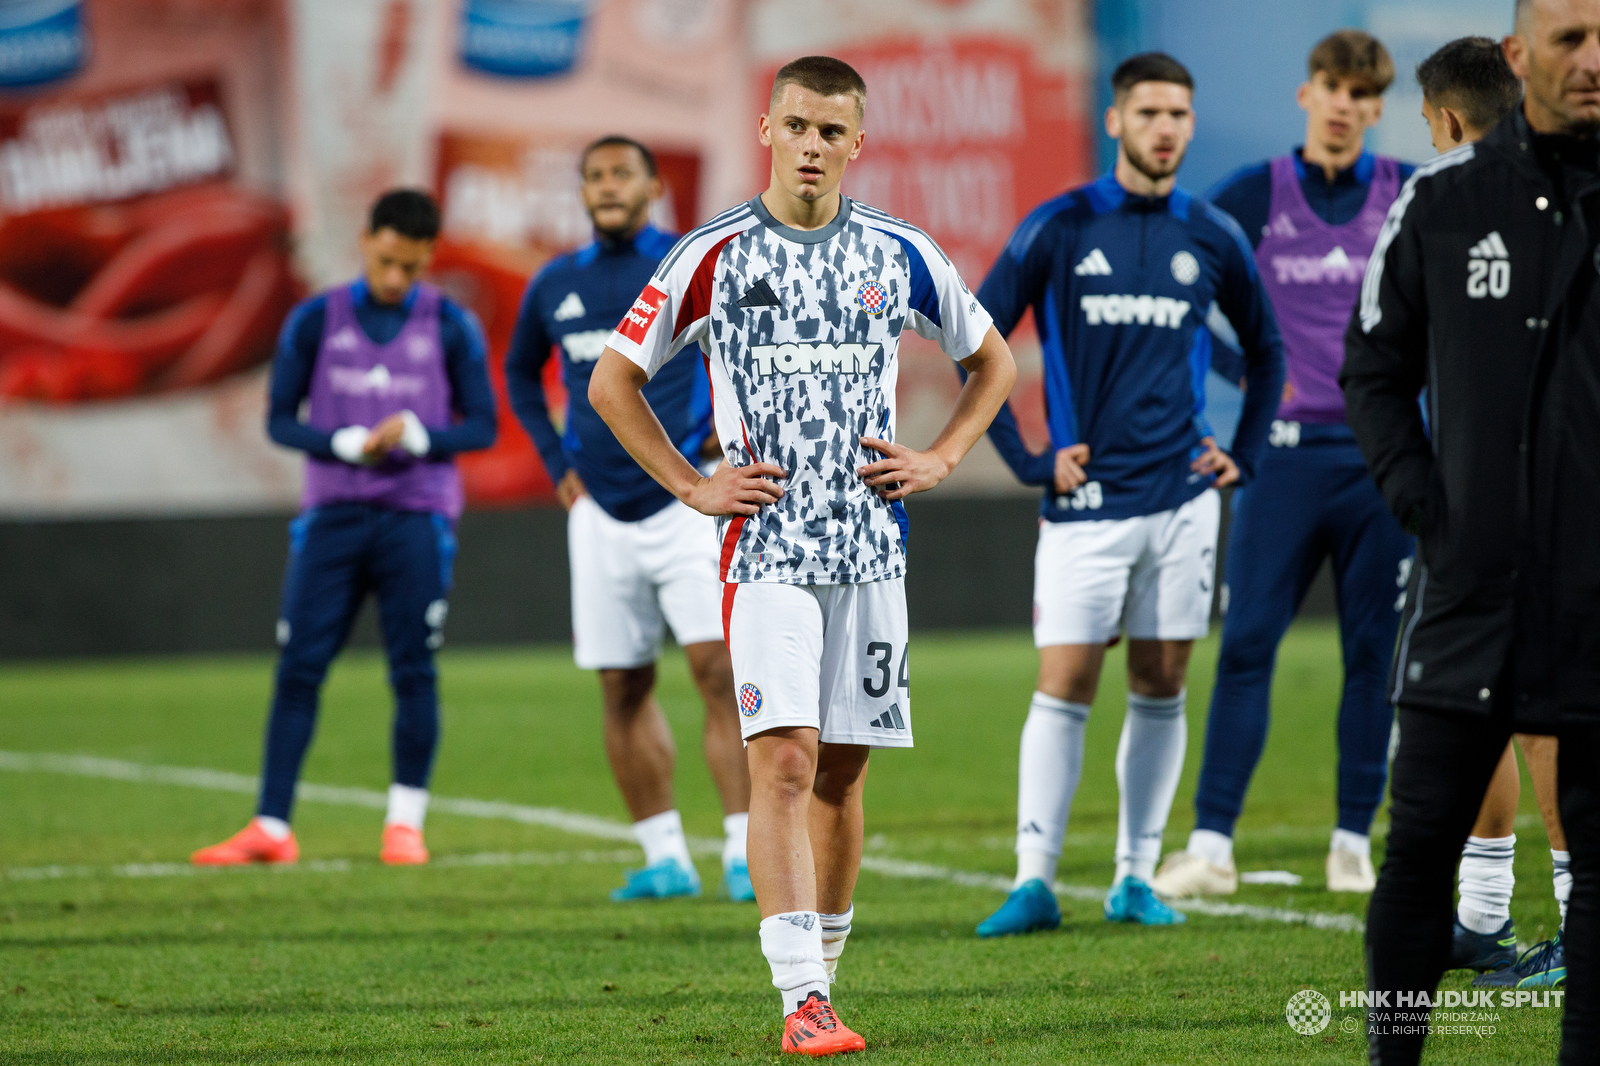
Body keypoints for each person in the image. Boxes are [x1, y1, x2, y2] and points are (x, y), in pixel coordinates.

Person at [589, 55, 1015, 1058]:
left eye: (833, 131)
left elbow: (989, 358)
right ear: (766, 130)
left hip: (871, 551)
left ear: (857, 143)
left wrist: (943, 454)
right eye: (798, 127)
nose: (814, 146)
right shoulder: (711, 253)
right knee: (782, 759)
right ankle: (799, 997)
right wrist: (692, 486)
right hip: (766, 549)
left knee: (843, 774)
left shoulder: (901, 252)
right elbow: (615, 382)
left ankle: (825, 974)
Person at [971, 52, 1285, 938]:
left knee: (1162, 680)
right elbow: (976, 342)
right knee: (1065, 679)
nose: (1165, 128)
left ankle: (1134, 878)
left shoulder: (1210, 234)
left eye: (1179, 114)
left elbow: (1266, 353)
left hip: (1185, 500)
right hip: (1086, 504)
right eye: (1148, 111)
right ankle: (1034, 880)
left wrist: (1246, 454)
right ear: (1115, 122)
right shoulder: (1060, 226)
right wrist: (1029, 460)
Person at [1342, 1, 1600, 1059]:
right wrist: (1419, 498)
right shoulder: (1440, 201)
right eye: (1571, 38)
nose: (1592, 61)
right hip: (1466, 592)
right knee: (1415, 865)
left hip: (1595, 596)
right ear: (1517, 53)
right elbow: (1373, 366)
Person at [1151, 30, 1414, 900]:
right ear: (1306, 95)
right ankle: (1212, 846)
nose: (1343, 104)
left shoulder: (1405, 195)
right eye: (1330, 87)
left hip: (1382, 467)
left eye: (1360, 93)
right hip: (1284, 463)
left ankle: (1351, 842)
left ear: (1378, 108)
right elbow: (1180, 293)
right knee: (1248, 644)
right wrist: (1247, 377)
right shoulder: (1256, 194)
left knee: (1374, 654)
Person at [192, 190, 496, 867]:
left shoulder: (450, 325)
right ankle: (271, 827)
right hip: (332, 517)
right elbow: (278, 419)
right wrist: (344, 442)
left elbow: (483, 425)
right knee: (299, 667)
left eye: (410, 268)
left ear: (427, 259)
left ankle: (404, 826)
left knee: (413, 669)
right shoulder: (314, 320)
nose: (396, 279)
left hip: (416, 517)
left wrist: (422, 435)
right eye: (388, 261)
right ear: (366, 240)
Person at [504, 135, 754, 903]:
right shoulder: (555, 283)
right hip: (600, 511)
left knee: (719, 674)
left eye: (622, 174)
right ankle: (664, 857)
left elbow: (745, 346)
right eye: (595, 176)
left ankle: (745, 853)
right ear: (582, 193)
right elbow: (519, 372)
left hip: (686, 501)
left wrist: (726, 431)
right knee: (621, 685)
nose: (608, 186)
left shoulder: (688, 265)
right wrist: (555, 465)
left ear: (652, 188)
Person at [1412, 34, 1570, 984]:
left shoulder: (1460, 207)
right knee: (1481, 707)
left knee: (1547, 719)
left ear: (1448, 120)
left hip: (1533, 507)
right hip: (1495, 504)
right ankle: (1480, 917)